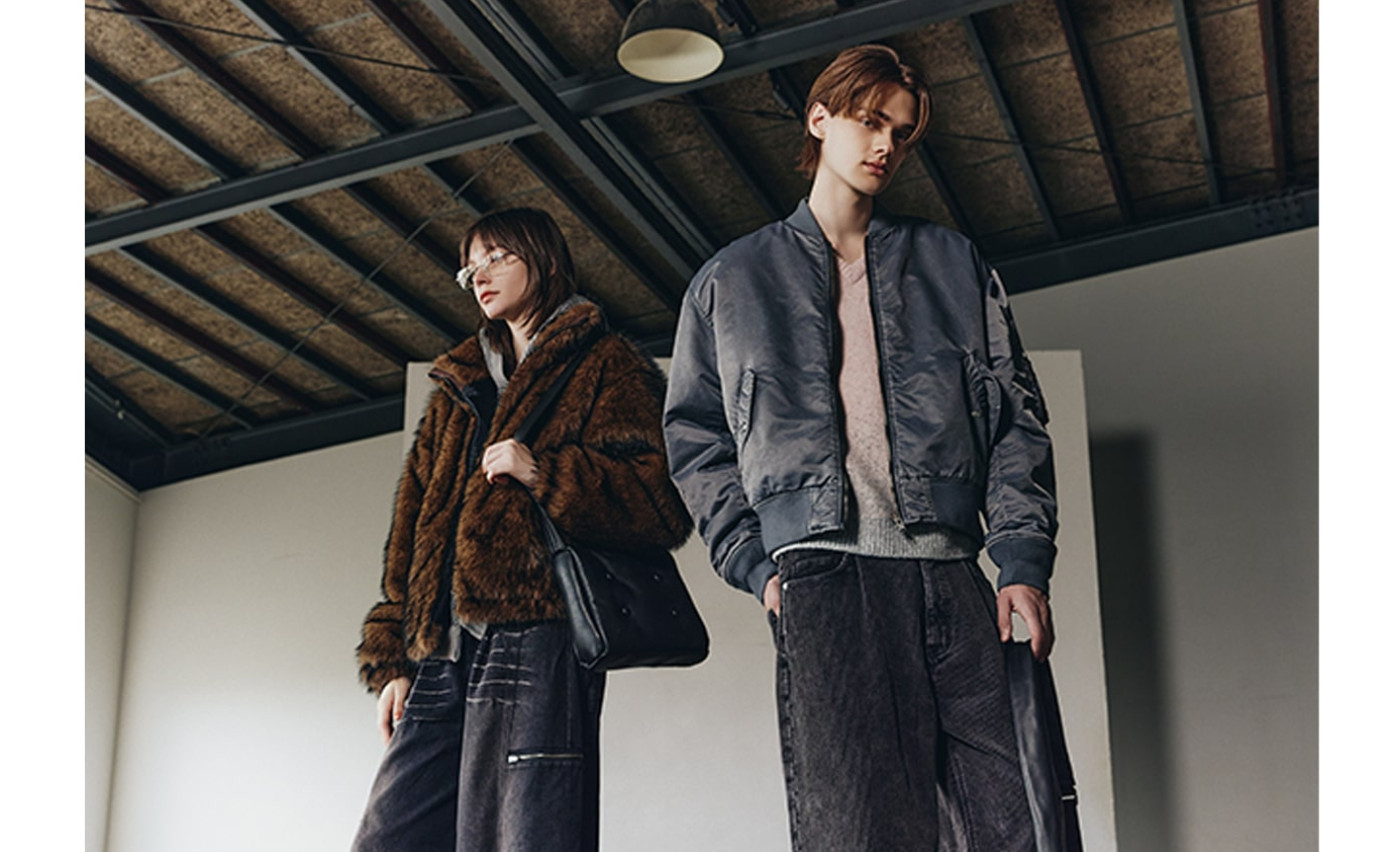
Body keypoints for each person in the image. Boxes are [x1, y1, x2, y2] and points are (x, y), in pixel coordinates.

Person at [663, 44, 1058, 851]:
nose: (885, 145)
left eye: (901, 132)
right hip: (825, 581)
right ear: (819, 118)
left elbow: (1015, 417)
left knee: (1014, 825)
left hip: (952, 574)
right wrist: (755, 563)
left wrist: (1020, 560)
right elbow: (695, 438)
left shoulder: (952, 263)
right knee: (859, 832)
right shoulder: (731, 281)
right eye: (870, 121)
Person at [351, 207, 691, 852]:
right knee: (388, 838)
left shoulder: (606, 366)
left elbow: (660, 502)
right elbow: (412, 530)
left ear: (545, 259)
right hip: (440, 652)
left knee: (526, 837)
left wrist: (546, 473)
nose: (479, 276)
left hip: (535, 641)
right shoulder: (458, 387)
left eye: (497, 257)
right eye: (470, 268)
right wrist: (393, 658)